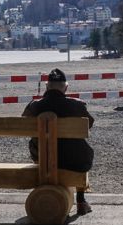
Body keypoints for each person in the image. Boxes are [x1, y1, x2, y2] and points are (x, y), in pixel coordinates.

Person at [22, 68, 95, 215]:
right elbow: (89, 124)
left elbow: (24, 125)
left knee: (36, 143)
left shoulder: (34, 106)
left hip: (42, 159)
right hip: (74, 161)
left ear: (46, 87)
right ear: (66, 88)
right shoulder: (77, 105)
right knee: (81, 149)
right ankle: (81, 201)